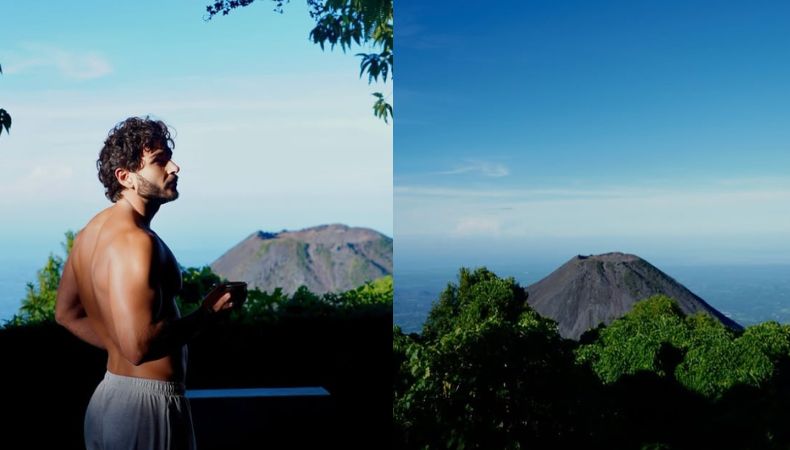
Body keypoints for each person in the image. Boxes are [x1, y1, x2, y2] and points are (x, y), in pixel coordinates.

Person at [55, 116, 245, 449]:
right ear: (125, 177)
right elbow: (139, 348)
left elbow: (66, 314)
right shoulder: (137, 241)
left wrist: (119, 344)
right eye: (159, 161)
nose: (174, 167)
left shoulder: (90, 233)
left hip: (109, 399)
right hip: (146, 410)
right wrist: (206, 314)